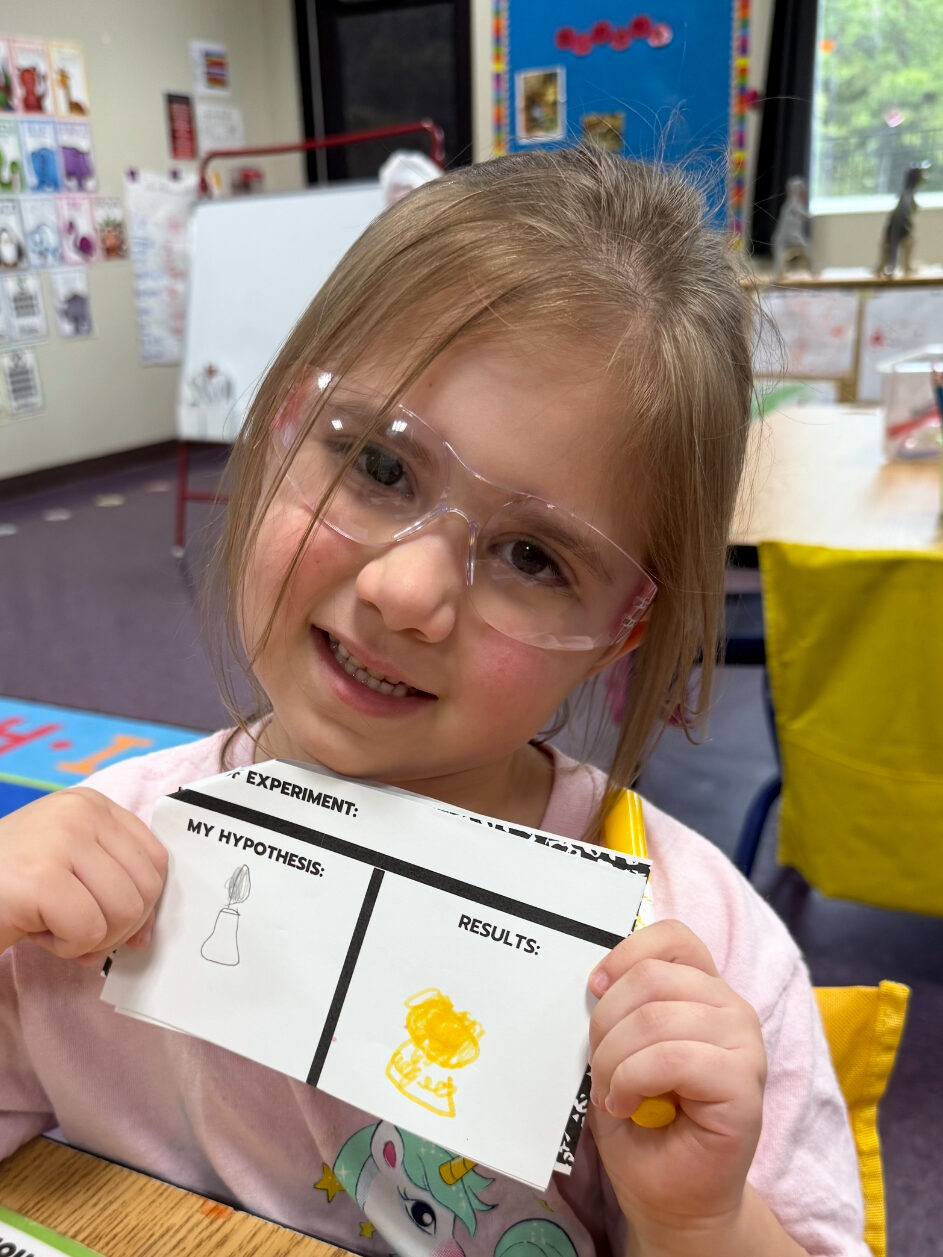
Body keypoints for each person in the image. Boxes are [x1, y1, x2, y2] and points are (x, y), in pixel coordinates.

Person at [0, 146, 866, 1257]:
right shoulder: (79, 892)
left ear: (619, 630)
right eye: (378, 464)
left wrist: (694, 1214)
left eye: (532, 555)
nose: (407, 592)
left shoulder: (698, 955)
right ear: (278, 428)